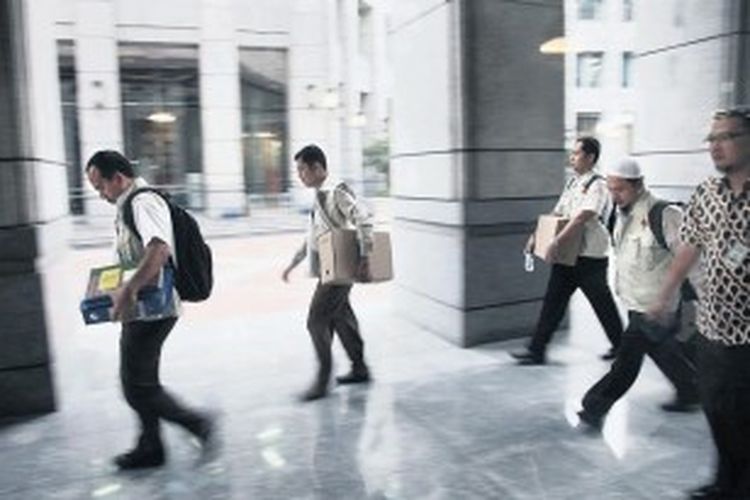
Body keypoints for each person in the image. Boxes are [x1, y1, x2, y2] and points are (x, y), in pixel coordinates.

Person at [86, 150, 215, 470]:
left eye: (100, 186)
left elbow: (158, 249)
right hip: (143, 307)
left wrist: (128, 291)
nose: (101, 195)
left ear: (118, 178)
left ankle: (196, 423)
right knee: (144, 381)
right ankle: (151, 446)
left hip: (153, 308)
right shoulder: (129, 203)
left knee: (136, 387)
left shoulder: (143, 202)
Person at [649, 107, 750, 500]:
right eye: (711, 138)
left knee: (744, 421)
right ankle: (725, 483)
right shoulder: (707, 192)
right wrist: (665, 294)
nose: (715, 146)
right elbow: (688, 246)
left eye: (725, 136)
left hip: (748, 338)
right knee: (717, 412)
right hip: (711, 328)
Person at [576, 158, 699, 431]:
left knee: (626, 362)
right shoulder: (621, 214)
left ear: (639, 185)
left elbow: (688, 257)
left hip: (657, 305)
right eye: (611, 188)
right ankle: (691, 392)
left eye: (620, 189)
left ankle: (594, 406)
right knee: (661, 350)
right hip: (636, 302)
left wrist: (675, 299)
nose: (614, 195)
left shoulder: (663, 215)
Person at [512, 137, 623, 365]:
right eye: (572, 154)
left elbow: (584, 216)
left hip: (590, 258)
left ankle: (621, 346)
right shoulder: (573, 183)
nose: (572, 158)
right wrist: (536, 237)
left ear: (590, 157)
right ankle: (537, 349)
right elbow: (557, 213)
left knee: (603, 304)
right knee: (553, 303)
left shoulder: (598, 185)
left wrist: (556, 242)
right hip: (568, 257)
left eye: (576, 153)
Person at [282, 144, 374, 401]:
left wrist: (366, 256)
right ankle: (360, 368)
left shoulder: (335, 191)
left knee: (316, 321)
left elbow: (363, 218)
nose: (300, 175)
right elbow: (312, 238)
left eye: (302, 170)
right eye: (298, 170)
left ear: (317, 167)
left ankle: (323, 380)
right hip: (332, 266)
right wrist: (293, 263)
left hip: (340, 268)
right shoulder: (320, 196)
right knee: (341, 318)